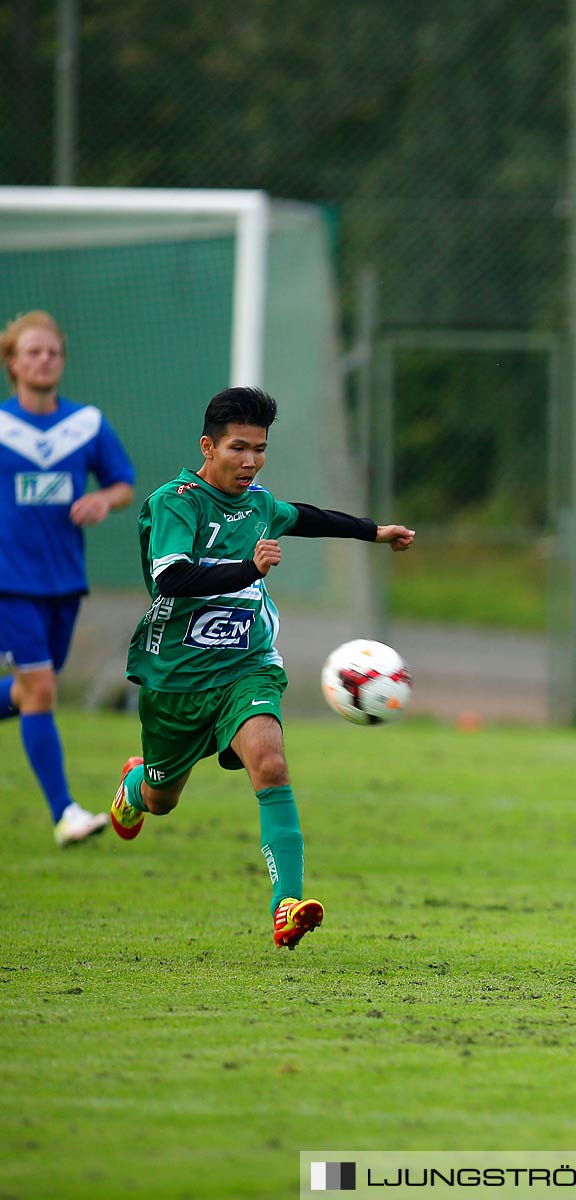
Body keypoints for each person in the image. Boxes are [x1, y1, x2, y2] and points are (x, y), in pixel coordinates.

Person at [108, 386, 415, 949]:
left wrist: (375, 531)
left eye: (260, 449)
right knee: (161, 800)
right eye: (238, 448)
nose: (250, 461)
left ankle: (287, 904)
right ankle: (136, 781)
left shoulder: (259, 503)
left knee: (270, 763)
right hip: (174, 678)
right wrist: (246, 570)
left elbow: (307, 518)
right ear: (209, 446)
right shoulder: (177, 502)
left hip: (246, 667)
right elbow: (171, 578)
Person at [0, 311, 137, 846]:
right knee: (42, 690)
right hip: (11, 581)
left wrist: (103, 498)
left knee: (35, 686)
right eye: (32, 352)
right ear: (12, 362)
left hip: (64, 580)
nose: (44, 359)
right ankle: (66, 814)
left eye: (52, 352)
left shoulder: (85, 425)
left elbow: (123, 483)